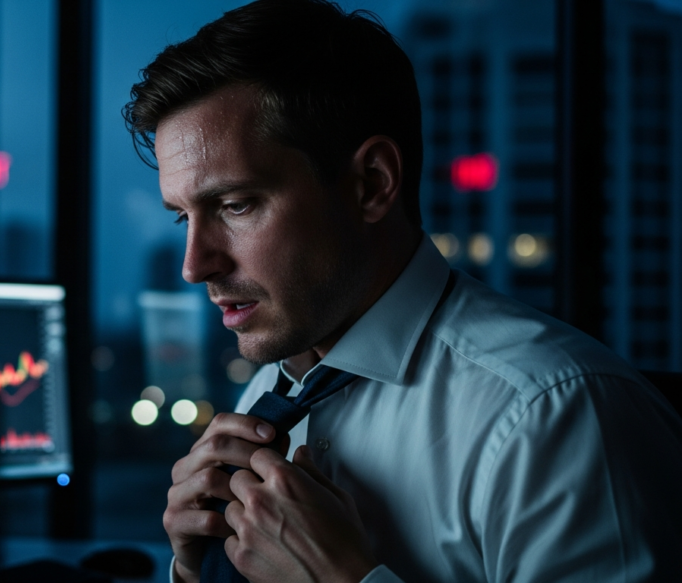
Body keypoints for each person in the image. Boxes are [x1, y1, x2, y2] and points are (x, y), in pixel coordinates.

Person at [121, 1, 682, 582]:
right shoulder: (274, 388)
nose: (195, 266)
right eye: (184, 217)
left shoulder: (556, 417)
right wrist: (195, 570)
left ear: (371, 185)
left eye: (235, 205)